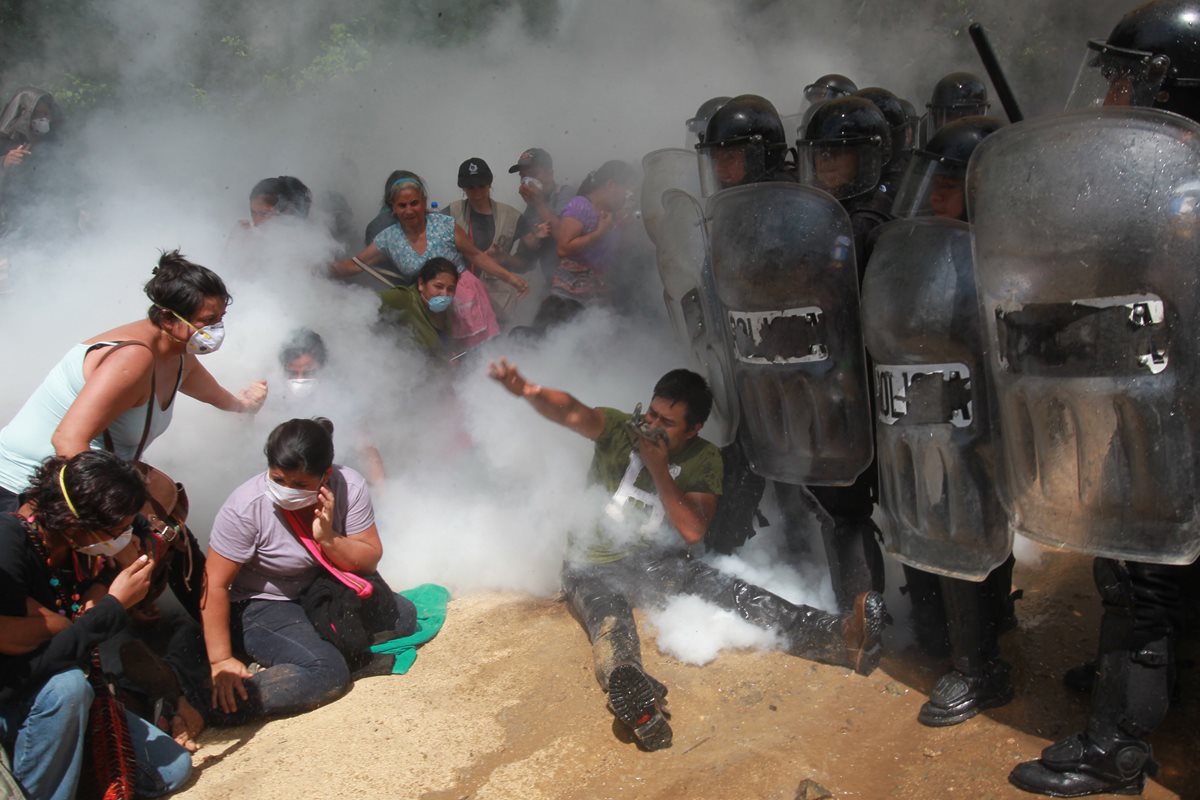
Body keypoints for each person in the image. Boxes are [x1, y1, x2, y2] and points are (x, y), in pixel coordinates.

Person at [1001, 2, 1200, 795]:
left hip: (1176, 407)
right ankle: (1151, 687)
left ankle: (1119, 744)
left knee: (1138, 567)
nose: (1112, 94)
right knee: (1156, 564)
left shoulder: (1183, 194)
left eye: (1127, 77)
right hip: (1159, 398)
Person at [487, 360, 886, 751]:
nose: (653, 427)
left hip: (655, 562)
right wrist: (529, 391)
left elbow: (693, 530)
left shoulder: (704, 458)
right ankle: (636, 697)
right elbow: (572, 411)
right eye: (654, 414)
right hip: (591, 564)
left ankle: (839, 637)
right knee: (610, 623)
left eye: (668, 422)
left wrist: (660, 468)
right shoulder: (618, 428)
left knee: (733, 593)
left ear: (694, 429)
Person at [0, 250, 268, 512]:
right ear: (167, 318)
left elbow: (219, 397)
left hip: (77, 483)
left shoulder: (178, 356)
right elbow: (68, 441)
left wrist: (245, 405)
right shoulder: (132, 359)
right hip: (21, 492)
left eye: (220, 320)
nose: (216, 331)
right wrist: (116, 524)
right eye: (207, 321)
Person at [0, 450, 192, 799]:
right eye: (117, 530)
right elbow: (23, 675)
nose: (124, 537)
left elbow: (76, 614)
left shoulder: (77, 547)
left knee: (171, 770)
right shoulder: (9, 546)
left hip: (57, 695)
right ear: (76, 524)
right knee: (68, 688)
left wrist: (99, 589)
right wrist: (112, 609)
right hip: (18, 695)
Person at [201, 418, 416, 719]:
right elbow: (215, 583)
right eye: (278, 480)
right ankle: (208, 704)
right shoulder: (245, 508)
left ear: (325, 475)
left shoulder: (349, 485)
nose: (287, 490)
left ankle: (317, 643)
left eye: (300, 484)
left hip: (320, 587)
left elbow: (368, 559)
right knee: (327, 671)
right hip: (265, 603)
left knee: (403, 617)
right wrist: (219, 660)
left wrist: (329, 539)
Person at [332, 172, 523, 350]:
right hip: (428, 307)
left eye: (414, 203)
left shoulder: (445, 226)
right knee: (442, 358)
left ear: (424, 202)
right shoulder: (388, 239)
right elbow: (355, 264)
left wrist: (511, 279)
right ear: (393, 207)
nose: (409, 210)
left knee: (477, 356)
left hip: (465, 298)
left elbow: (476, 255)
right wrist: (317, 269)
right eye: (402, 205)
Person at [274, 328, 386, 483]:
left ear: (322, 368)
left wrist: (384, 498)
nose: (300, 380)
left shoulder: (344, 401)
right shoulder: (272, 400)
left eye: (308, 373)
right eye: (293, 373)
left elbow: (367, 452)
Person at [443, 157, 536, 326]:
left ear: (490, 184)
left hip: (498, 303)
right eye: (471, 187)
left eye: (481, 185)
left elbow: (527, 264)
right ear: (463, 188)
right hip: (459, 300)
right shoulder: (449, 213)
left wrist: (504, 258)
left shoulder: (512, 216)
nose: (477, 191)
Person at [550, 159, 637, 304]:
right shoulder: (581, 206)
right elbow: (563, 249)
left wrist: (624, 224)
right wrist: (599, 233)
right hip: (569, 297)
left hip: (595, 297)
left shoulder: (613, 215)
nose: (628, 199)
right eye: (628, 193)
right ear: (611, 185)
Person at [695, 94, 792, 192]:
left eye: (729, 157)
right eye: (714, 159)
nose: (718, 169)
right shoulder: (734, 197)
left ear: (761, 157)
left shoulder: (787, 196)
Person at [0, 88, 61, 238]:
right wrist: (4, 161)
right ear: (24, 115)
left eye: (46, 114)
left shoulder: (53, 142)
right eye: (38, 114)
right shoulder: (3, 139)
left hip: (40, 220)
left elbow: (70, 176)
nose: (44, 119)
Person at [509, 148, 573, 282]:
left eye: (532, 174)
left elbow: (565, 237)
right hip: (554, 286)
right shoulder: (530, 210)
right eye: (523, 177)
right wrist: (501, 259)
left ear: (550, 174)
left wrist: (538, 203)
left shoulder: (567, 195)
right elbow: (525, 262)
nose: (527, 182)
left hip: (580, 284)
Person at [378, 257, 459, 359]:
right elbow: (365, 305)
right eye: (438, 286)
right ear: (421, 284)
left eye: (450, 289)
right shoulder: (404, 299)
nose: (444, 294)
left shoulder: (448, 311)